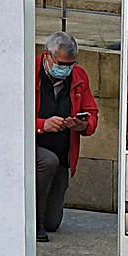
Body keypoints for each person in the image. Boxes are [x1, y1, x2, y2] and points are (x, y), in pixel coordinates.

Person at [34, 32, 99, 242]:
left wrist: (82, 124)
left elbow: (92, 114)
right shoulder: (27, 72)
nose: (66, 68)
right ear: (47, 56)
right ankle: (33, 222)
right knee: (46, 161)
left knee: (53, 222)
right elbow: (9, 118)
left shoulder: (79, 76)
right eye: (62, 63)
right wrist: (43, 125)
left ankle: (43, 219)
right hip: (31, 147)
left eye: (71, 63)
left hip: (62, 152)